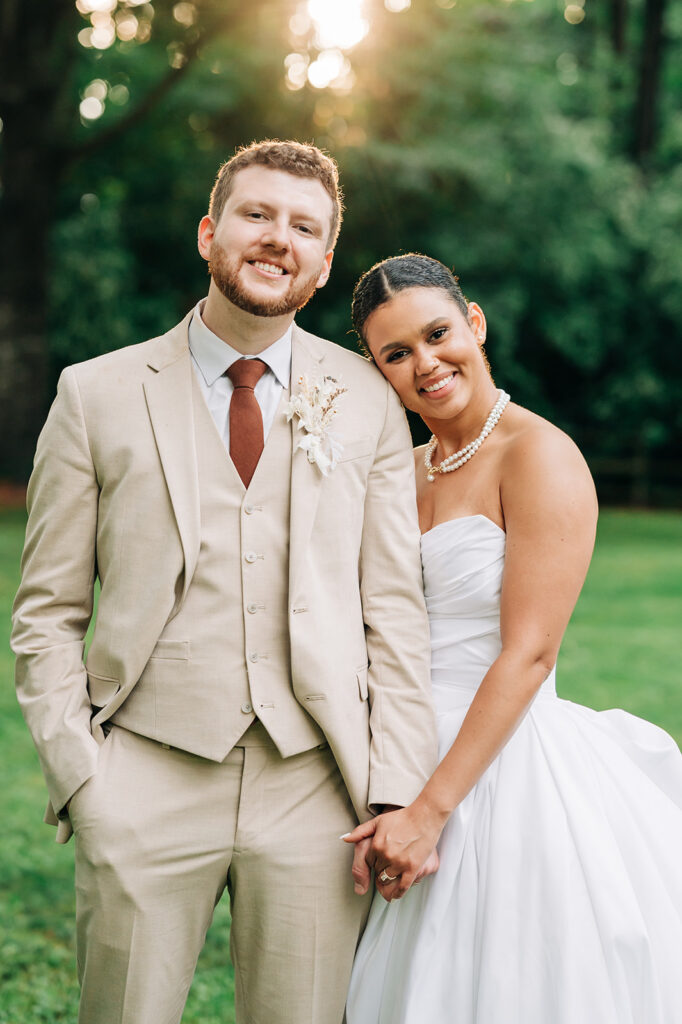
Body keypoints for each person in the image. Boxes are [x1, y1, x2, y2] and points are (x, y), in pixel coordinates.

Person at [11, 143, 438, 1024]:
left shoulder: (365, 399)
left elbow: (393, 610)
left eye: (304, 227)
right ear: (210, 233)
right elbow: (47, 612)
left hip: (314, 788)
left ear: (321, 266)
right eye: (257, 215)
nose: (278, 238)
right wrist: (84, 777)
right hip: (143, 773)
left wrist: (393, 787)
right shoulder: (94, 394)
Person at [344, 253, 682, 1024]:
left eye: (437, 334)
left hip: (498, 772)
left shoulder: (540, 455)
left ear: (475, 324)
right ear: (380, 372)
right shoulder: (403, 466)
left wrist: (431, 810)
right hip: (397, 756)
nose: (425, 363)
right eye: (397, 353)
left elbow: (529, 653)